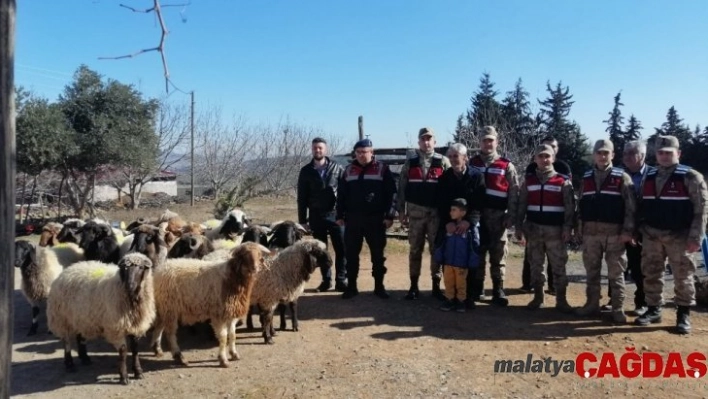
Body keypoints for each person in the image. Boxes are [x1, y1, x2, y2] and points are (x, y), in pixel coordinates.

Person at [634, 135, 708, 334]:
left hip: (680, 236)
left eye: (669, 153)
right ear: (656, 154)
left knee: (683, 276)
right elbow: (641, 206)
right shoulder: (648, 176)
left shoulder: (691, 177)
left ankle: (683, 314)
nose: (664, 156)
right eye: (661, 153)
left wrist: (696, 237)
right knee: (651, 273)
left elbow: (701, 210)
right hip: (651, 235)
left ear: (678, 153)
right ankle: (653, 309)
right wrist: (638, 229)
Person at [574, 140, 635, 324]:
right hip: (591, 233)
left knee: (616, 274)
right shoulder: (586, 177)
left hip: (614, 234)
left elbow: (631, 208)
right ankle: (592, 304)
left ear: (612, 155)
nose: (602, 156)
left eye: (606, 153)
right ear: (593, 154)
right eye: (599, 152)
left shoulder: (622, 177)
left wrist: (628, 231)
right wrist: (579, 228)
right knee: (591, 272)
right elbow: (581, 205)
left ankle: (618, 309)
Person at [515, 144, 575, 312]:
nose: (544, 159)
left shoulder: (563, 181)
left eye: (547, 156)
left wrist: (567, 228)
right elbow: (521, 206)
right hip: (533, 230)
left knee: (558, 266)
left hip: (555, 232)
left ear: (553, 158)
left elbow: (570, 208)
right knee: (536, 265)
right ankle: (538, 298)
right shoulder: (529, 181)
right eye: (540, 156)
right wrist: (518, 226)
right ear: (535, 159)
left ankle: (561, 300)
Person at [336, 139, 397, 300]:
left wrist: (390, 216)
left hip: (376, 219)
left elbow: (393, 194)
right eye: (359, 152)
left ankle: (379, 287)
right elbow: (341, 195)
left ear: (372, 152)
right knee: (351, 254)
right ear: (355, 153)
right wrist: (339, 215)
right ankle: (351, 287)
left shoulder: (383, 169)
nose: (362, 155)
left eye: (365, 152)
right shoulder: (348, 171)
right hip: (353, 219)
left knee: (377, 255)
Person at [397, 127, 451, 300]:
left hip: (436, 216)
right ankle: (413, 286)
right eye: (423, 139)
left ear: (434, 141)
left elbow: (451, 187)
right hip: (415, 216)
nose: (426, 142)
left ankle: (436, 286)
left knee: (436, 251)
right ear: (419, 142)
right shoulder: (410, 162)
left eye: (429, 139)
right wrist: (401, 211)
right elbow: (402, 188)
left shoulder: (443, 161)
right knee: (415, 250)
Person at [469, 126, 519, 306]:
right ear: (479, 142)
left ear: (496, 142)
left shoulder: (506, 165)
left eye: (491, 140)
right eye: (484, 140)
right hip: (477, 216)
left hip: (499, 217)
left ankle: (498, 288)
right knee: (478, 251)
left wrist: (511, 215)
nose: (487, 143)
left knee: (498, 254)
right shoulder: (472, 163)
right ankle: (478, 287)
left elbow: (514, 192)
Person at [436, 143, 486, 308]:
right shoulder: (444, 178)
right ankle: (450, 296)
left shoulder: (476, 176)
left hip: (469, 227)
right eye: (450, 157)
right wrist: (448, 223)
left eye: (456, 156)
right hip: (450, 226)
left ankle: (467, 297)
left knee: (468, 261)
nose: (453, 159)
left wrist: (468, 221)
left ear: (465, 158)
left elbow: (479, 202)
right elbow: (441, 204)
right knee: (450, 261)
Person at [297, 137, 347, 292]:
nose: (317, 150)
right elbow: (302, 197)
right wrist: (302, 220)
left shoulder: (338, 168)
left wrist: (344, 214)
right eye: (315, 148)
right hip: (316, 216)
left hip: (335, 216)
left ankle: (341, 280)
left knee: (342, 249)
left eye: (320, 148)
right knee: (321, 251)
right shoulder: (306, 171)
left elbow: (345, 194)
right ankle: (326, 281)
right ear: (312, 150)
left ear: (326, 150)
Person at [616, 141, 653, 315]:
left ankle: (642, 302)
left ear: (643, 155)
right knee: (616, 266)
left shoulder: (653, 175)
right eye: (625, 153)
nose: (627, 157)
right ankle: (614, 301)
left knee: (640, 268)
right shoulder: (616, 174)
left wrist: (636, 231)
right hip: (620, 229)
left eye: (632, 153)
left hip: (644, 231)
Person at [434, 198, 481, 313]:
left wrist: (472, 261)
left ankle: (461, 301)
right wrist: (439, 257)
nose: (451, 212)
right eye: (451, 210)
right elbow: (441, 243)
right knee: (449, 282)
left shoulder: (470, 230)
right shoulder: (448, 228)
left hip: (461, 264)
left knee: (461, 284)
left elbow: (474, 246)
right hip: (448, 263)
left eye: (454, 210)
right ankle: (449, 299)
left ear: (463, 212)